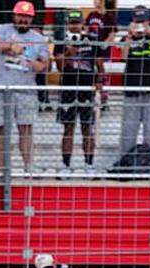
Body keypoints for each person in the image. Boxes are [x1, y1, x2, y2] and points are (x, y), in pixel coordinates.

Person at [0, 1, 50, 173]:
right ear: (14, 15)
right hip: (1, 88)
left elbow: (45, 64)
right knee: (2, 129)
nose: (23, 20)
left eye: (27, 17)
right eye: (21, 16)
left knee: (26, 128)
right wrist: (9, 46)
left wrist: (38, 65)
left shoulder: (38, 38)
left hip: (26, 89)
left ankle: (28, 166)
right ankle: (1, 168)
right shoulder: (2, 29)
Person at [56, 11, 103, 174]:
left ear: (83, 25)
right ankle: (65, 165)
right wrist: (70, 52)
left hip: (86, 89)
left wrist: (99, 81)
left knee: (87, 127)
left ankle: (89, 164)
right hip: (69, 88)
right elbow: (60, 67)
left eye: (77, 23)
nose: (75, 26)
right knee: (68, 128)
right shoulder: (62, 41)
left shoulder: (93, 40)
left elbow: (99, 64)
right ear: (68, 24)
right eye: (72, 22)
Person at [118, 6, 150, 166]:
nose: (140, 25)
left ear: (149, 22)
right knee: (128, 130)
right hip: (131, 88)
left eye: (143, 22)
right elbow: (123, 57)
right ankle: (125, 163)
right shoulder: (127, 38)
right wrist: (130, 36)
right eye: (138, 22)